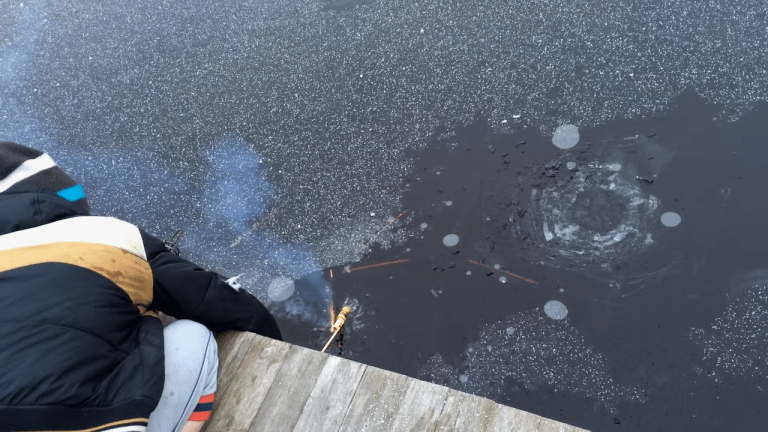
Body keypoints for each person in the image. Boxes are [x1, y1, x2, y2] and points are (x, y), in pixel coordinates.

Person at [0, 141, 282, 432]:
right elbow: (219, 300)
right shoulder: (103, 235)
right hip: (93, 424)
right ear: (57, 190)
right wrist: (275, 341)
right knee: (195, 334)